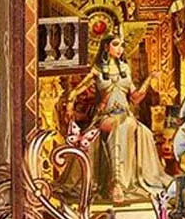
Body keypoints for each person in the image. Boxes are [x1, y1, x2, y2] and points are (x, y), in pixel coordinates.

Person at [71, 34, 172, 203]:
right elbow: (77, 90)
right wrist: (69, 101)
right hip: (105, 116)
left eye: (122, 45)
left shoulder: (125, 69)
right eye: (116, 44)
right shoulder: (97, 70)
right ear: (106, 47)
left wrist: (149, 79)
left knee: (133, 127)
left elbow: (135, 98)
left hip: (126, 115)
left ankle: (121, 182)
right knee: (117, 126)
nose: (120, 49)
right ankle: (115, 182)